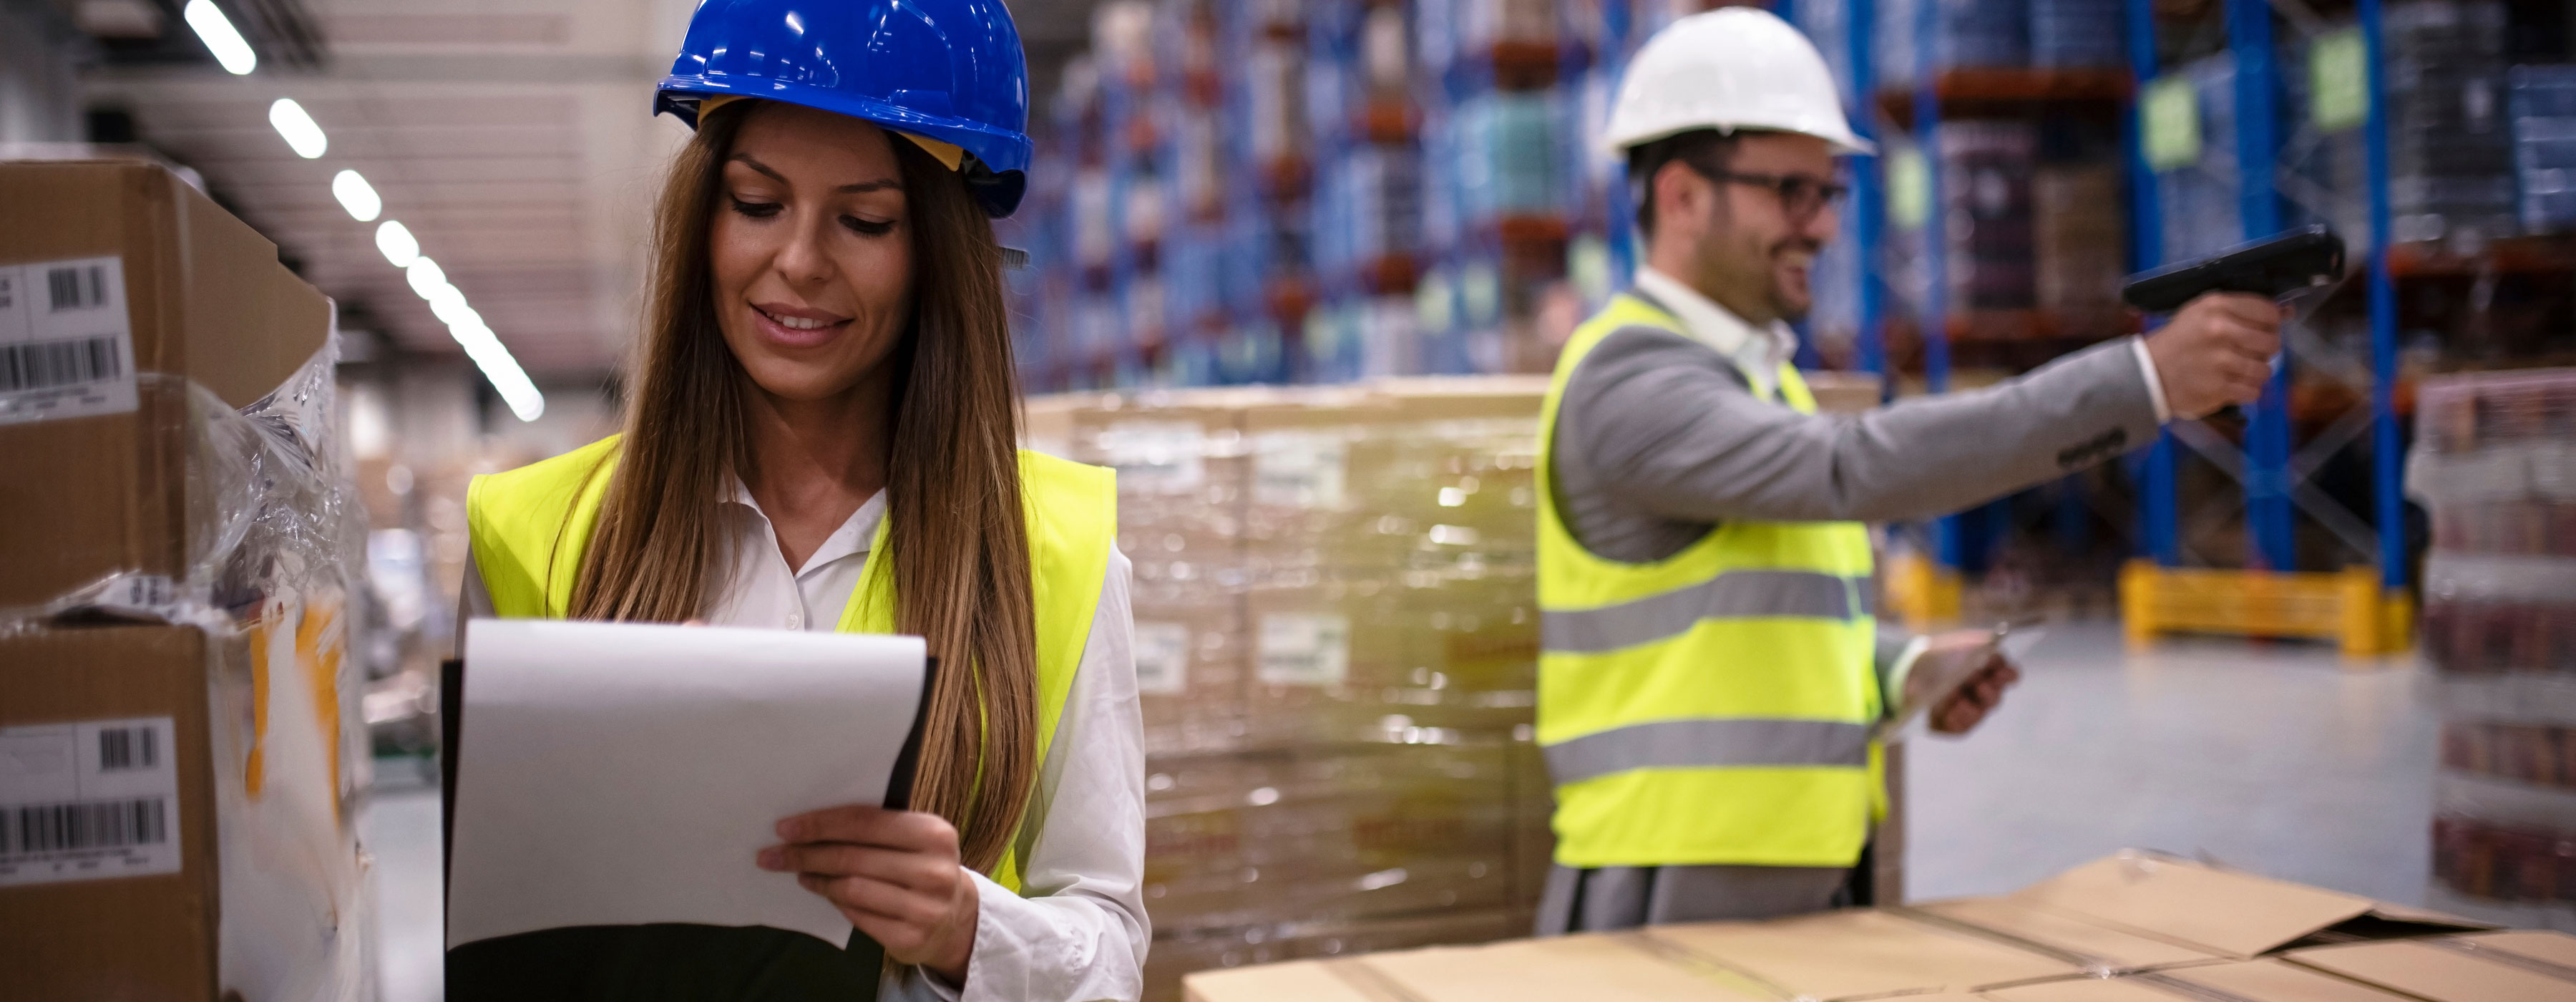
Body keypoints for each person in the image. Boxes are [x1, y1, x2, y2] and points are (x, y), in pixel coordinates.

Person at [1533, 7, 2285, 933]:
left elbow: (1753, 619)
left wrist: (1901, 668)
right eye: (1790, 193)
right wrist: (2142, 382)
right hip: (1671, 886)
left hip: (1796, 866)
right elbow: (1856, 468)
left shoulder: (1754, 380)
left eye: (1829, 193)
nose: (1820, 228)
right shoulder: (1630, 377)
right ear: (1683, 196)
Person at [451, 1, 1145, 998]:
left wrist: (962, 925)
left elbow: (1111, 949)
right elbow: (500, 939)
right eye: (757, 203)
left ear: (934, 255)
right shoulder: (534, 534)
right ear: (704, 220)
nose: (800, 262)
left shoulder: (1059, 554)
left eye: (864, 220)